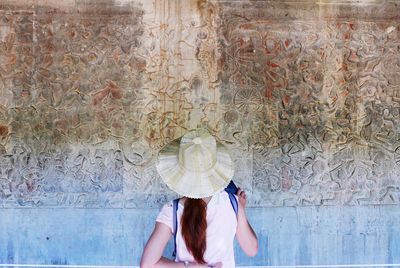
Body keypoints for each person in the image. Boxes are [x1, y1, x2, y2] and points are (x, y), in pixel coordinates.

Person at [140, 129, 258, 268]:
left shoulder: (172, 210)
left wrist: (190, 266)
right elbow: (251, 250)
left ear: (180, 173)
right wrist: (240, 209)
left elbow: (148, 264)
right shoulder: (232, 203)